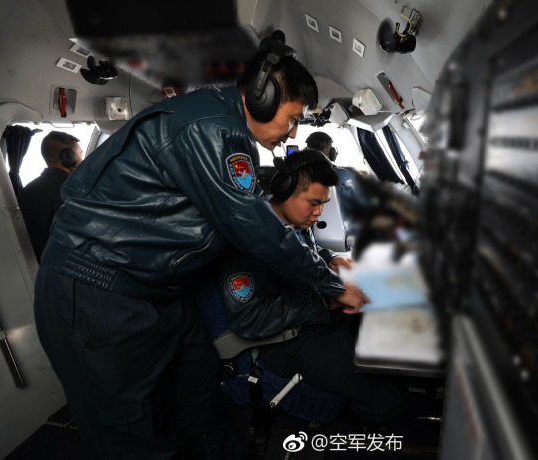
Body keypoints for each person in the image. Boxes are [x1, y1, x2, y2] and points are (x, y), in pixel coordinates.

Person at [34, 35, 367, 459]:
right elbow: (255, 227)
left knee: (200, 397)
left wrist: (323, 265)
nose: (294, 132)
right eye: (293, 118)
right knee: (125, 428)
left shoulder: (227, 133)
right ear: (262, 97)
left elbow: (253, 221)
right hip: (97, 287)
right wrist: (332, 286)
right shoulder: (209, 128)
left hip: (163, 289)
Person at [217, 148, 406, 424]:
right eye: (314, 203)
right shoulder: (248, 243)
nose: (319, 213)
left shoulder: (294, 221)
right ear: (285, 191)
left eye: (324, 204)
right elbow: (249, 319)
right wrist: (329, 300)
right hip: (286, 341)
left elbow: (305, 255)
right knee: (388, 398)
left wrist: (331, 259)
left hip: (315, 320)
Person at [17, 131, 83, 261]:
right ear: (69, 157)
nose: (83, 160)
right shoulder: (71, 191)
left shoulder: (28, 189)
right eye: (80, 154)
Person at [305, 131, 367, 227]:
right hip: (345, 229)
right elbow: (363, 205)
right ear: (331, 152)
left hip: (310, 229)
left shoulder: (300, 176)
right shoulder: (345, 176)